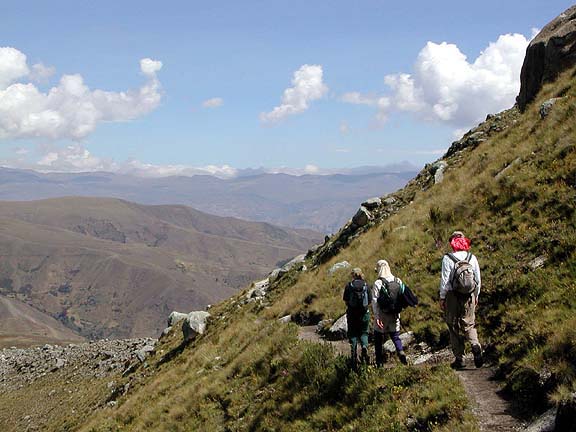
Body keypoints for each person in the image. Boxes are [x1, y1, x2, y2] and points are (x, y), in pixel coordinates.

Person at [439, 231, 484, 369]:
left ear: (452, 242)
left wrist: (442, 297)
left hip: (452, 296)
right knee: (469, 323)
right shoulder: (472, 257)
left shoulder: (448, 258)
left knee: (453, 326)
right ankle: (475, 344)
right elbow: (477, 279)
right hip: (469, 295)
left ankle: (460, 358)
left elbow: (445, 281)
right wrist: (476, 295)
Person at [372, 259, 408, 366]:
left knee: (378, 337)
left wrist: (377, 316)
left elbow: (374, 301)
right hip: (395, 313)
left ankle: (379, 362)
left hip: (382, 314)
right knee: (395, 336)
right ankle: (400, 351)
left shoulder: (378, 283)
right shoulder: (398, 280)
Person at [343, 268, 371, 368]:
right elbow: (370, 300)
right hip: (364, 314)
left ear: (353, 275)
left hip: (352, 314)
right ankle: (364, 346)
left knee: (353, 334)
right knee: (364, 332)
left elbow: (345, 300)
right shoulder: (366, 285)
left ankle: (353, 356)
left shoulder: (349, 286)